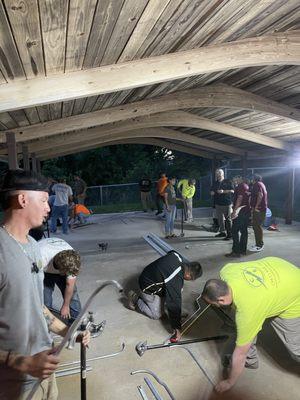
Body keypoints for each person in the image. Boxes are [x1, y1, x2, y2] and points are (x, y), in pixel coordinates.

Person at [0, 169, 90, 400]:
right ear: (22, 200)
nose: (49, 207)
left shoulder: (32, 245)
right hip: (12, 381)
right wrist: (23, 362)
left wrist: (69, 331)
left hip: (44, 368)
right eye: (43, 200)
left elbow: (37, 308)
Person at [201, 257, 300, 393]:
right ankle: (251, 360)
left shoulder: (247, 312)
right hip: (280, 267)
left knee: (296, 347)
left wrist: (229, 382)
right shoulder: (226, 271)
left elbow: (240, 354)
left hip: (294, 290)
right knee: (243, 328)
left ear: (222, 299)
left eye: (215, 304)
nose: (214, 307)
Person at [127, 250, 202, 341]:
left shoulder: (177, 256)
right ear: (188, 275)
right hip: (147, 287)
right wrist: (177, 328)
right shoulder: (175, 277)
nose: (188, 280)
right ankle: (135, 298)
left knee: (177, 290)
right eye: (190, 279)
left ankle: (172, 312)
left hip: (151, 276)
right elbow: (174, 301)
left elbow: (171, 251)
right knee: (157, 314)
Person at [39, 237, 82, 323]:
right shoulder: (40, 256)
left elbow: (70, 285)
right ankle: (46, 326)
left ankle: (76, 324)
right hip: (43, 270)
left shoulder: (72, 260)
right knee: (45, 301)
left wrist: (65, 306)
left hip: (59, 264)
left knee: (73, 297)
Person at [225, 176, 251, 258]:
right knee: (244, 231)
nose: (234, 181)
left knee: (234, 231)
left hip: (240, 212)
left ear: (240, 179)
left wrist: (234, 211)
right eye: (233, 180)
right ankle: (243, 250)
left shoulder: (240, 186)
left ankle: (236, 251)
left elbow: (240, 198)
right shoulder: (246, 186)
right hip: (246, 211)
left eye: (235, 179)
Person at [210, 169, 234, 240]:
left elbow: (232, 191)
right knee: (220, 219)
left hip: (227, 203)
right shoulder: (215, 183)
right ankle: (222, 232)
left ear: (223, 174)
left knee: (228, 219)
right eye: (216, 173)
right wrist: (212, 192)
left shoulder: (228, 181)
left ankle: (230, 234)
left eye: (219, 173)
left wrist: (223, 191)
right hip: (218, 204)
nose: (218, 174)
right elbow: (211, 190)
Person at [250, 174, 268, 252]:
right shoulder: (261, 184)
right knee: (256, 226)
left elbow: (260, 195)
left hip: (259, 210)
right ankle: (258, 243)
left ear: (253, 179)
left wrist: (256, 206)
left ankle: (259, 245)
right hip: (261, 209)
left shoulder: (256, 184)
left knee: (257, 226)